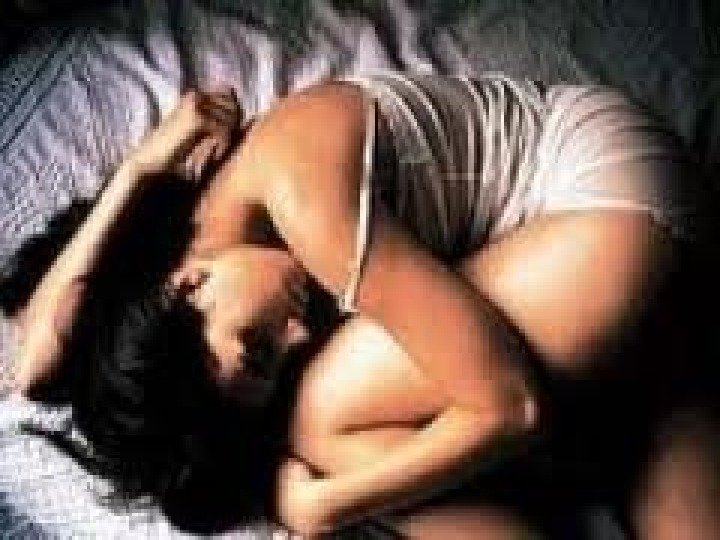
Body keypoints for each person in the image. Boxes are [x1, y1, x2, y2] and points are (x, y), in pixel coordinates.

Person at [3, 72, 717, 538]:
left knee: (318, 414)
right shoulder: (194, 253)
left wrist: (323, 507)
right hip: (628, 289)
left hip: (612, 201)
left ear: (188, 284)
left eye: (257, 343)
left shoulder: (297, 193)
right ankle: (643, 384)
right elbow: (32, 371)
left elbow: (511, 407)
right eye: (271, 362)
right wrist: (133, 174)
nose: (296, 336)